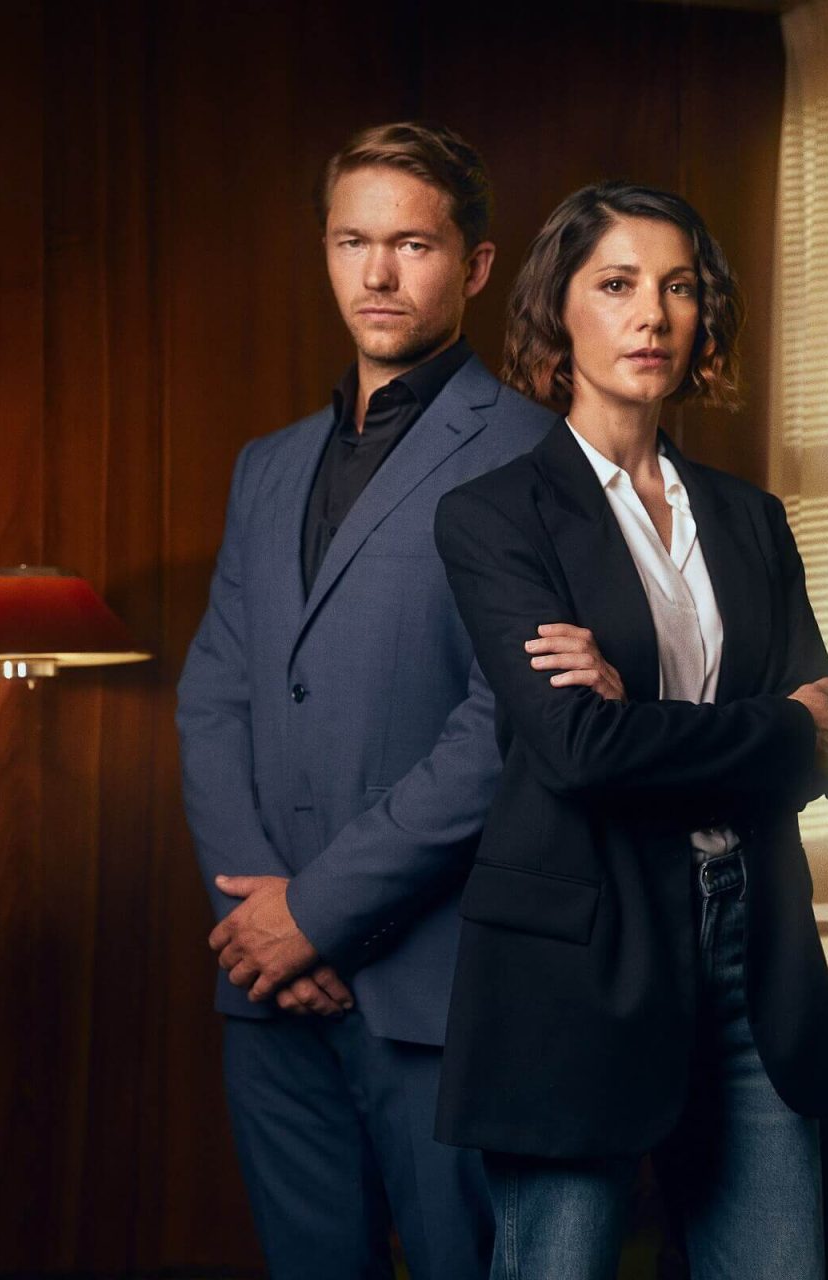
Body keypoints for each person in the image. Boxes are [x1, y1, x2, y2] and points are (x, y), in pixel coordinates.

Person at [429, 180, 828, 1279]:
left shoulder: (751, 517)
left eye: (679, 287)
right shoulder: (493, 517)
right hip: (584, 957)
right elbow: (579, 752)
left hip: (754, 946)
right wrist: (768, 730)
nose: (653, 315)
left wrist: (645, 716)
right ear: (558, 311)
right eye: (618, 284)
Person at [176, 122, 558, 1280]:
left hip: (435, 992)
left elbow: (503, 727)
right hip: (266, 989)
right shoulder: (267, 464)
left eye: (413, 244)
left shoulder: (537, 455)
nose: (378, 273)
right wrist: (266, 925)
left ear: (475, 266)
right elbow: (214, 695)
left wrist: (320, 913)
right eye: (352, 241)